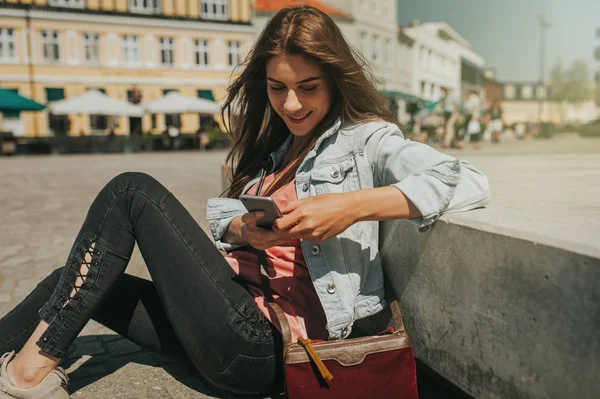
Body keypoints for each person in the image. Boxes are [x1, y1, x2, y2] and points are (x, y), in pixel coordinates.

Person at [0, 6, 490, 398]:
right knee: (70, 283)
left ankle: (28, 375)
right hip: (230, 316)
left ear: (336, 79)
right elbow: (228, 213)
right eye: (278, 88)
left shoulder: (367, 140)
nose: (292, 104)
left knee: (131, 191)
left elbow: (466, 178)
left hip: (268, 347)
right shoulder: (279, 150)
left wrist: (351, 206)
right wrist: (243, 230)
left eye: (308, 87)